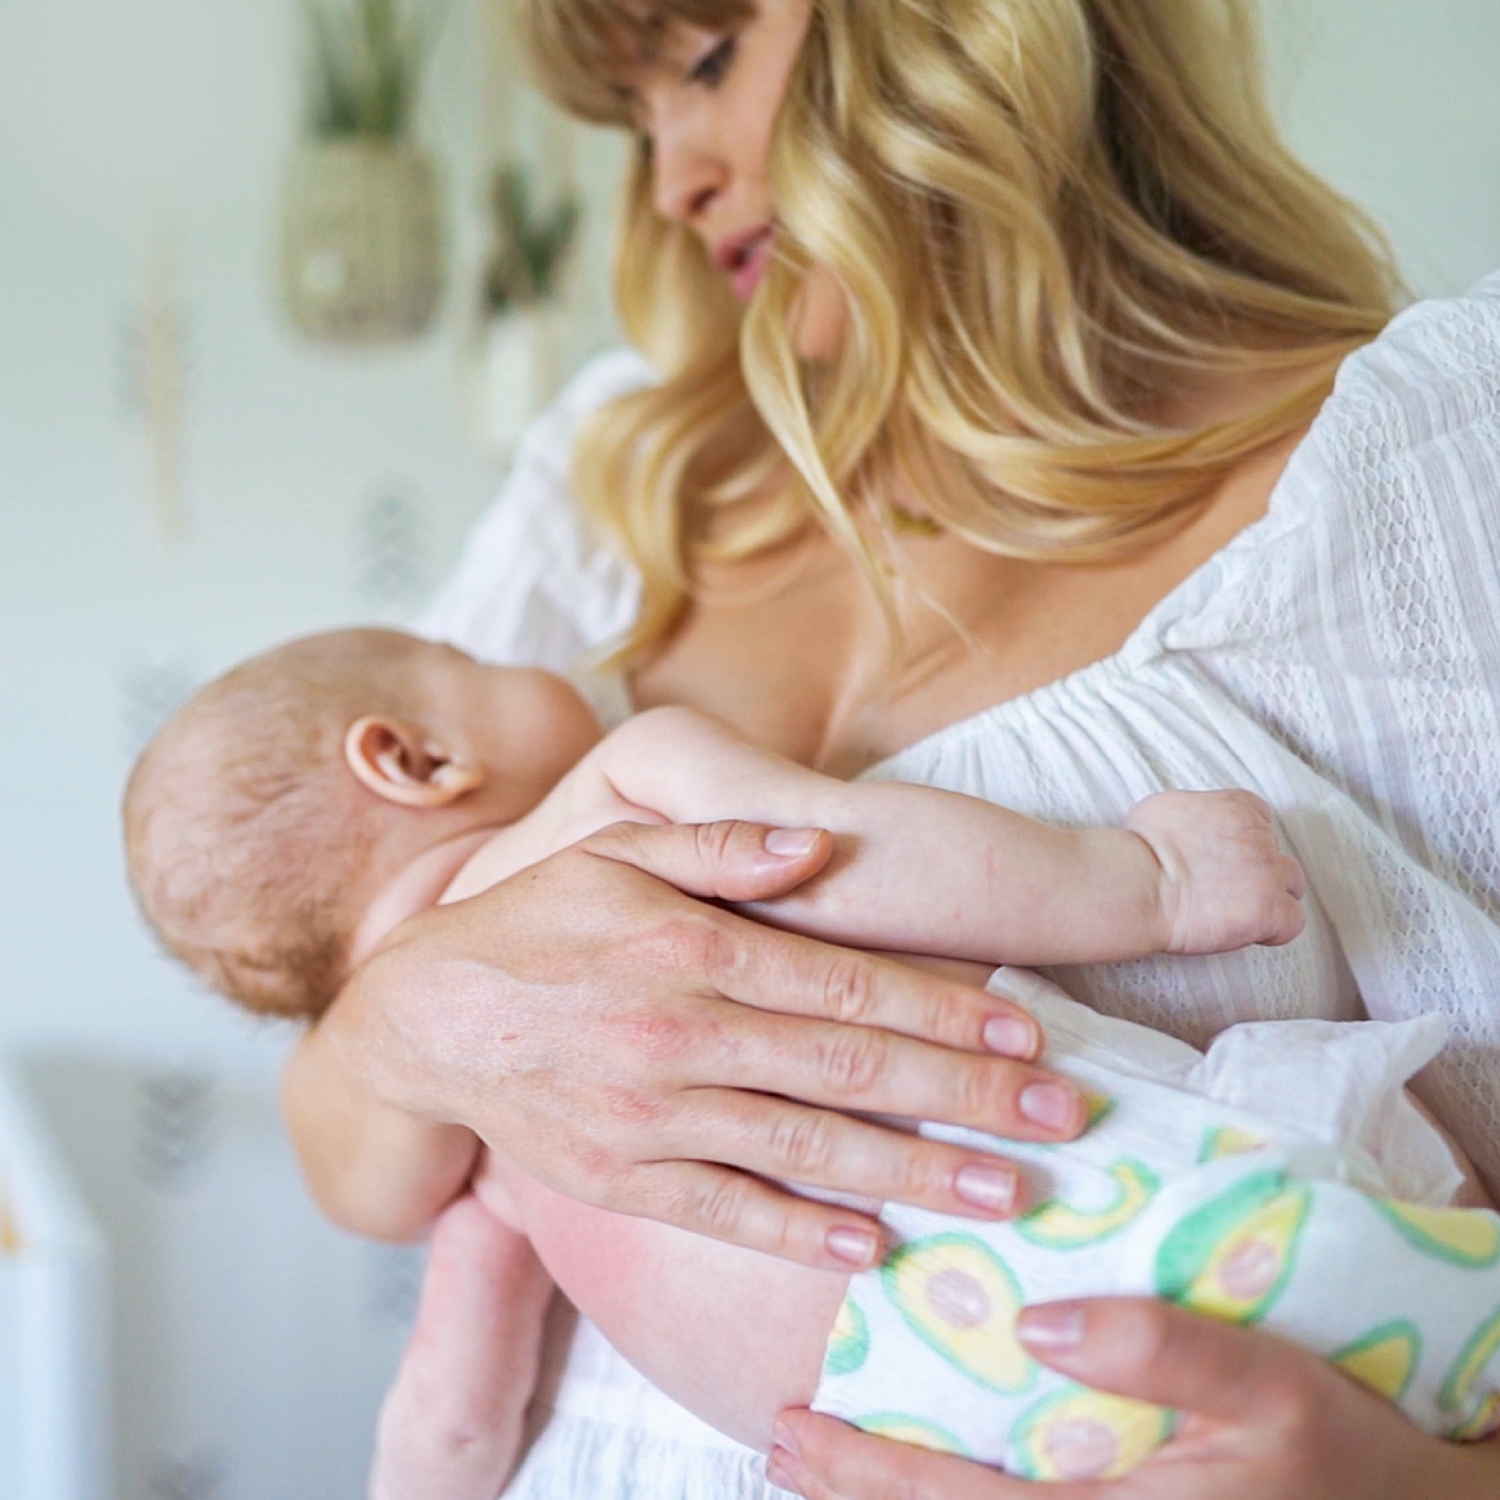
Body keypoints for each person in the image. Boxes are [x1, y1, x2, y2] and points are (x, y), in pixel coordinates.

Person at [279, 1, 1500, 1496]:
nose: (672, 181)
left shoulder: (1432, 464)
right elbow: (355, 1157)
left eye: (708, 60)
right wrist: (409, 1020)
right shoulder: (609, 493)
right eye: (635, 116)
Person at [123, 627, 1500, 1500]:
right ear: (414, 756)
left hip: (912, 1423)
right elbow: (842, 854)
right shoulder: (616, 792)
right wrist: (1146, 887)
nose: (537, 658)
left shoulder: (488, 1156)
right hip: (1052, 1199)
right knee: (1411, 1276)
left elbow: (448, 1433)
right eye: (464, 658)